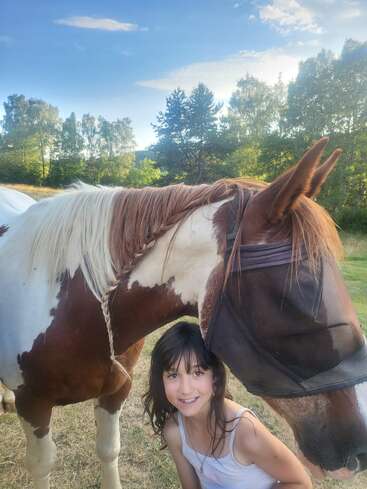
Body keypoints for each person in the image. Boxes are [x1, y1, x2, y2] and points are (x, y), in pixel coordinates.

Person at [144, 321, 313, 489]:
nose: (185, 389)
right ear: (161, 380)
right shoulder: (174, 431)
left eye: (197, 373)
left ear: (215, 378)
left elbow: (301, 483)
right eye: (173, 375)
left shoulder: (245, 432)